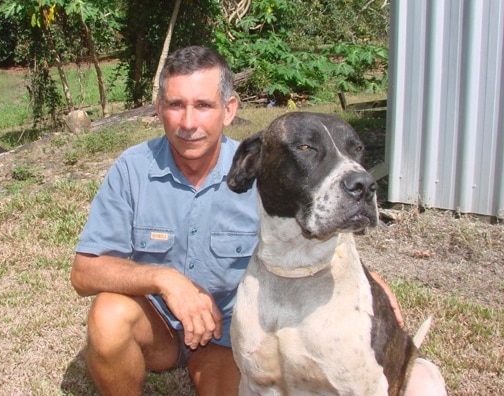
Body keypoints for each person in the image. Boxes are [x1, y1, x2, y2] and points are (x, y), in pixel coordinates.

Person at [70, 45, 407, 395]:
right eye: (175, 105)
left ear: (228, 109)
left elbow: (316, 222)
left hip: (227, 337)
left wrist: (366, 280)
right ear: (158, 109)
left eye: (203, 106)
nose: (188, 123)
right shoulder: (133, 168)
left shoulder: (265, 169)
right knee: (108, 316)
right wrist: (165, 279)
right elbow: (84, 272)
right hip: (159, 330)